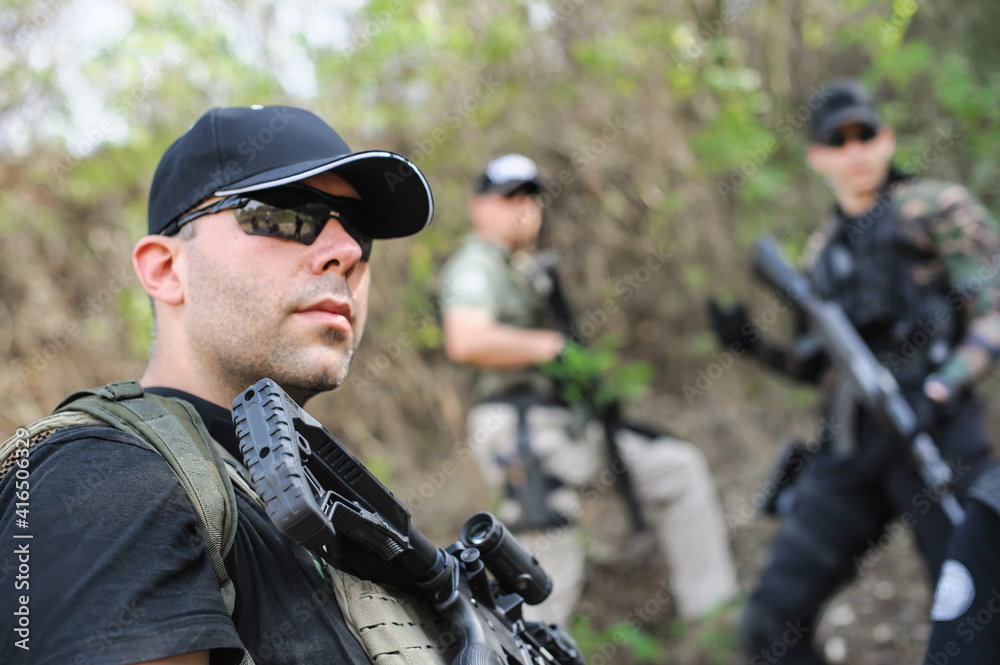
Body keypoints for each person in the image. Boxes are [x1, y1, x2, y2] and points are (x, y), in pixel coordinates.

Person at [0, 105, 445, 665]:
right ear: (165, 269)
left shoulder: (319, 501)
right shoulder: (108, 484)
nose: (348, 251)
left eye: (358, 229)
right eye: (286, 215)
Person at [708, 79, 1000, 664]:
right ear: (817, 157)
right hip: (853, 444)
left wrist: (942, 384)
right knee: (770, 622)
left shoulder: (938, 206)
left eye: (864, 135)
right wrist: (752, 345)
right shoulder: (820, 253)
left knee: (979, 608)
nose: (854, 151)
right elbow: (817, 368)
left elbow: (992, 313)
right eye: (836, 142)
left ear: (886, 138)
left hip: (937, 430)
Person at [439, 153, 739, 628]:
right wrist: (549, 346)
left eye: (531, 197)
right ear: (479, 206)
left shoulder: (524, 268)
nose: (524, 207)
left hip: (564, 425)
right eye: (509, 196)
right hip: (521, 429)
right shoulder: (476, 264)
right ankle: (522, 652)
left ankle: (717, 621)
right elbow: (466, 338)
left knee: (677, 471)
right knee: (546, 560)